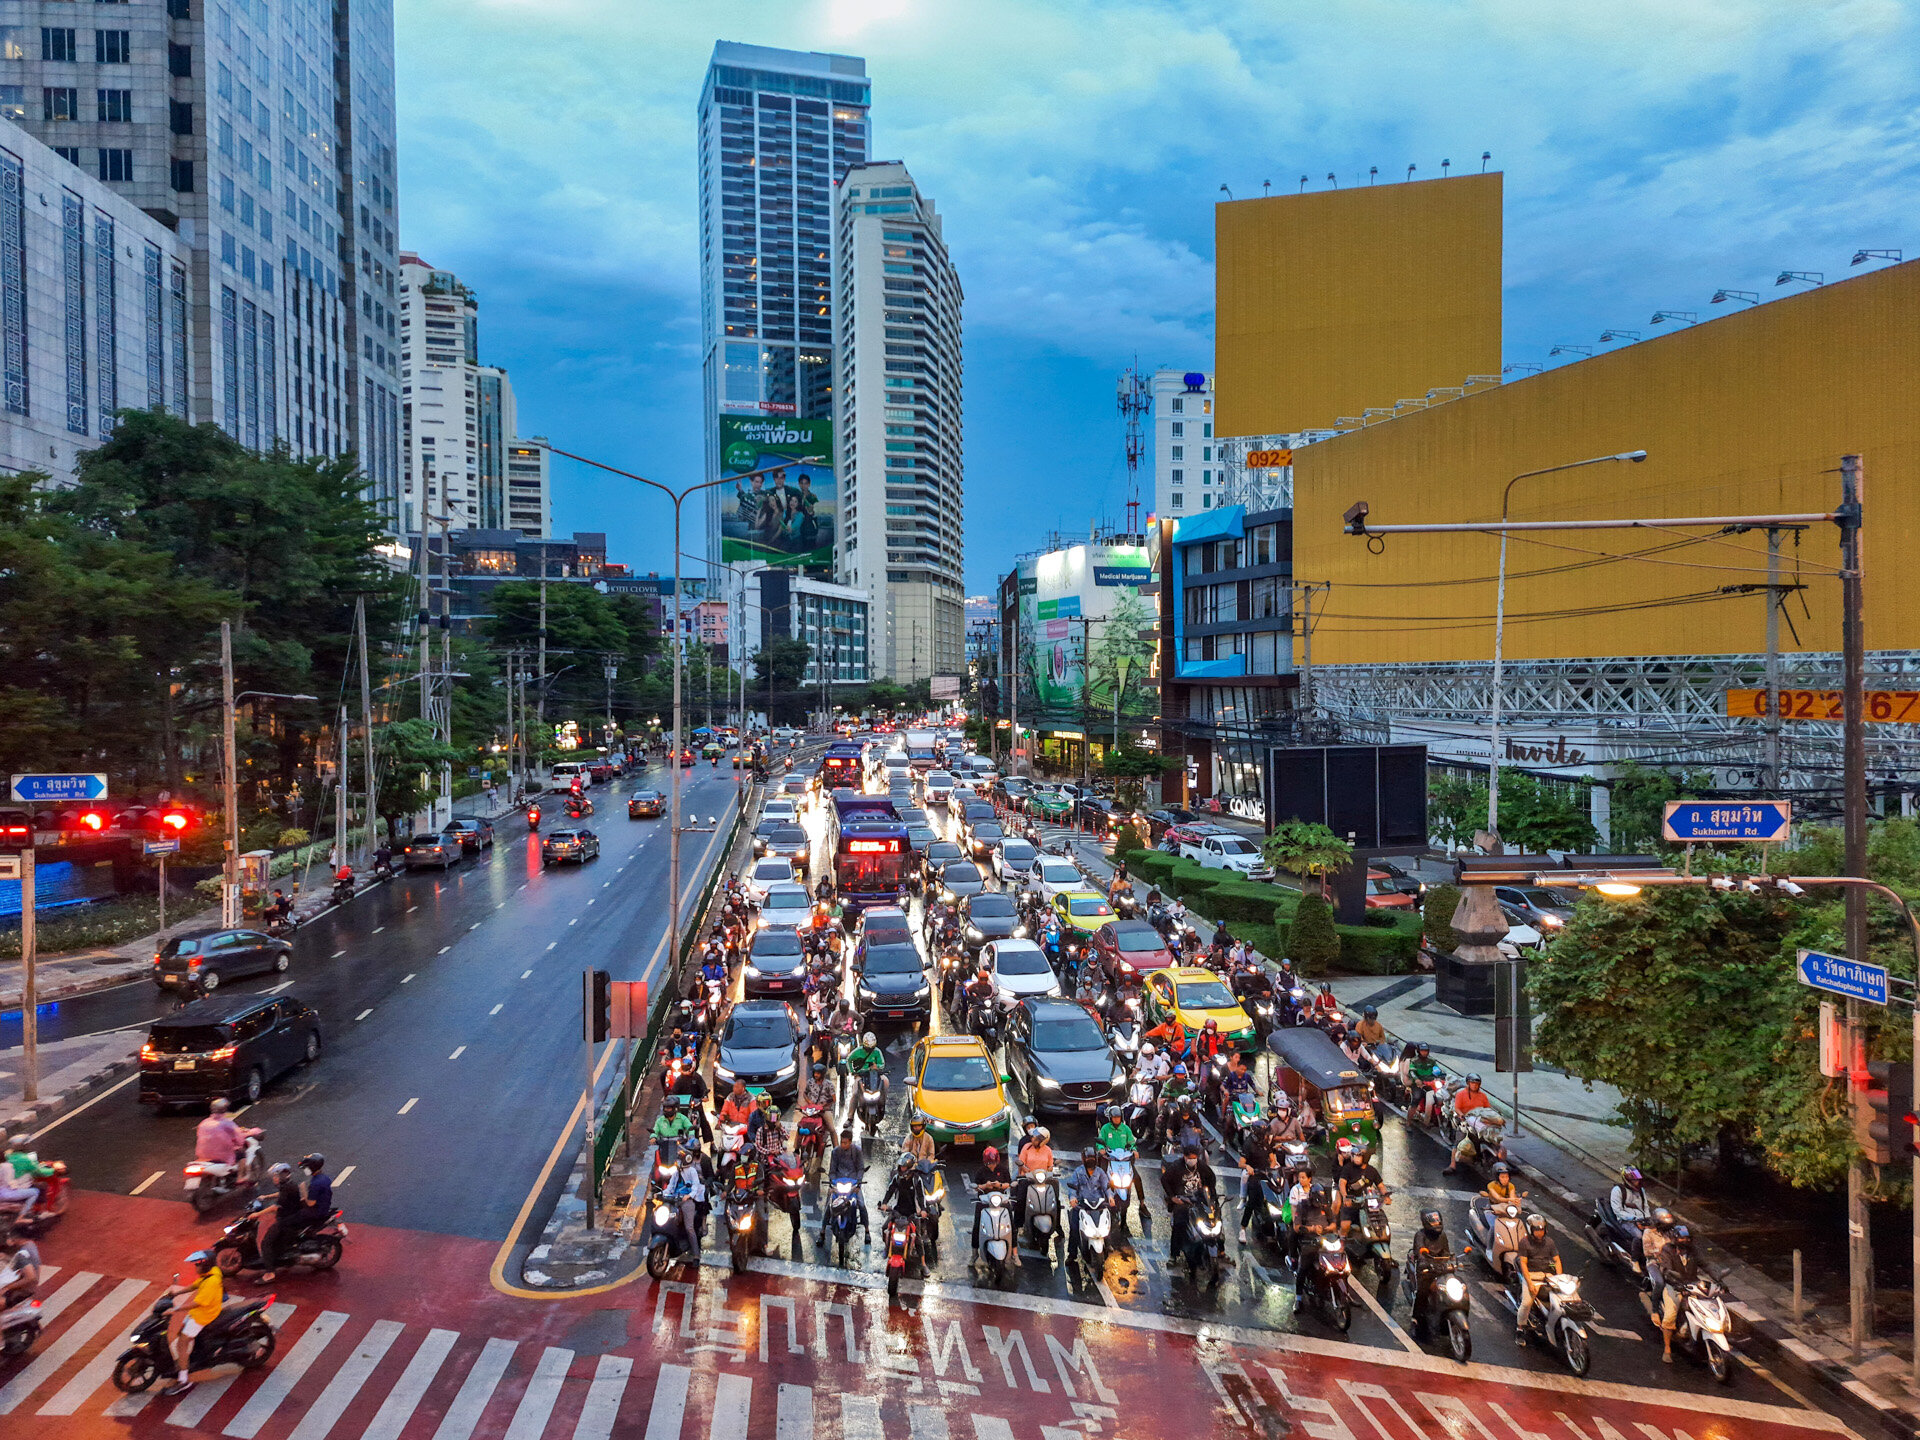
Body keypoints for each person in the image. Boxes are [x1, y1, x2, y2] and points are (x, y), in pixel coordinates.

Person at [162, 1249, 224, 1397]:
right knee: (182, 1332)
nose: (195, 1267)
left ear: (205, 1265)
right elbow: (195, 1285)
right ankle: (188, 1359)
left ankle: (183, 1380)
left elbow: (198, 1303)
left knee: (181, 1343)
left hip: (204, 1315)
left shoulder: (212, 1281)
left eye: (197, 1265)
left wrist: (176, 1309)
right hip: (199, 1312)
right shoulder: (211, 1273)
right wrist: (176, 1293)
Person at [1160, 1144, 1218, 1260]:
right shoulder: (1176, 1166)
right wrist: (1173, 1197)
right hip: (1183, 1200)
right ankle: (1174, 1255)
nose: (1192, 1160)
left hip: (1199, 1200)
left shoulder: (1201, 1166)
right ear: (1185, 1157)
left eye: (1194, 1157)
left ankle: (1220, 1251)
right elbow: (1164, 1179)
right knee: (1179, 1224)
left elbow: (1212, 1178)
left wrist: (1210, 1195)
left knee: (1214, 1220)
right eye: (1190, 1158)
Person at [1513, 1212, 1562, 1344]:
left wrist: (1559, 1279)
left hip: (1547, 1275)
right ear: (1530, 1230)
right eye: (1537, 1230)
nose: (1540, 1233)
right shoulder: (1524, 1243)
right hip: (1531, 1275)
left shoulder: (1550, 1242)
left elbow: (1557, 1261)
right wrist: (1529, 1283)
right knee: (1526, 1304)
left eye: (1542, 1230)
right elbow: (1523, 1263)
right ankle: (1520, 1329)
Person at [1655, 1224, 1702, 1363]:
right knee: (1670, 1316)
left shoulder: (1693, 1251)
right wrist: (1677, 1282)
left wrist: (1718, 1279)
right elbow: (1666, 1270)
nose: (1685, 1241)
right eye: (1682, 1238)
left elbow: (1705, 1265)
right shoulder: (1667, 1250)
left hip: (1692, 1285)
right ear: (1676, 1239)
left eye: (1687, 1238)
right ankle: (1667, 1348)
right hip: (1674, 1286)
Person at [1064, 1147, 1113, 1261]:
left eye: (1092, 1158)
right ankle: (1072, 1254)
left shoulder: (1100, 1172)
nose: (1090, 1160)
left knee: (1109, 1222)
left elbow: (1106, 1186)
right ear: (1083, 1159)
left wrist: (1110, 1197)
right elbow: (1073, 1187)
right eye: (1088, 1158)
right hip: (1082, 1204)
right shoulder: (1078, 1171)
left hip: (1099, 1204)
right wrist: (1073, 1198)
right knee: (1074, 1227)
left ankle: (1108, 1243)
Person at [1408, 1209, 1453, 1328]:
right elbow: (1420, 1253)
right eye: (1433, 1222)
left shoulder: (1442, 1235)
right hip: (1426, 1268)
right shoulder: (1420, 1235)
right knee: (1422, 1290)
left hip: (1440, 1267)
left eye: (1437, 1221)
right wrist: (1426, 1263)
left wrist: (1446, 1262)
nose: (1436, 1224)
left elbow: (1446, 1252)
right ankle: (1416, 1316)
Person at [193, 1098, 261, 1176]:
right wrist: (240, 1143)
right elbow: (239, 1138)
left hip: (202, 1154)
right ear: (224, 1109)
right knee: (242, 1155)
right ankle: (241, 1178)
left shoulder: (204, 1123)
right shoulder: (227, 1123)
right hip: (222, 1154)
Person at [825, 1129, 870, 1243]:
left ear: (850, 1142)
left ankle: (867, 1230)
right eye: (841, 1142)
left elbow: (860, 1168)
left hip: (853, 1184)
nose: (843, 1144)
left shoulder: (857, 1151)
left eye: (845, 1143)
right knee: (829, 1205)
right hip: (838, 1184)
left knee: (861, 1204)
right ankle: (822, 1231)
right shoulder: (835, 1152)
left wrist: (858, 1184)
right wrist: (832, 1184)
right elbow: (832, 1170)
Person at [664, 1147, 708, 1256]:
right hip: (674, 1199)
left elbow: (695, 1186)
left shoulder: (692, 1171)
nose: (677, 1162)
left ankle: (696, 1254)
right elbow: (670, 1186)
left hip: (686, 1201)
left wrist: (689, 1196)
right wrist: (662, 1193)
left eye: (679, 1160)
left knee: (689, 1228)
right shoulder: (676, 1172)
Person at [971, 1146, 1013, 1255]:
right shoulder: (981, 1171)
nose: (991, 1165)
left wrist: (1000, 1185)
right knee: (977, 1224)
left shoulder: (1003, 1170)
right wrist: (985, 1186)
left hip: (1000, 1201)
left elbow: (1008, 1184)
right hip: (985, 1201)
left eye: (993, 1163)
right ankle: (974, 1252)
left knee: (1011, 1223)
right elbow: (976, 1187)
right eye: (989, 1163)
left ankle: (1014, 1252)